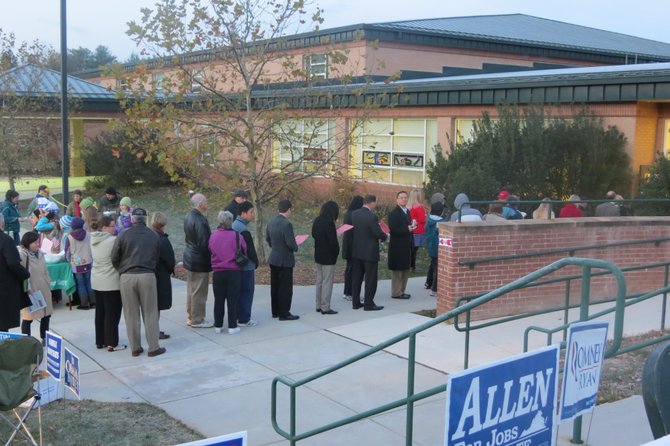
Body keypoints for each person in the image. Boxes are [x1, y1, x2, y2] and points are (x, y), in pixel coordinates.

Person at [111, 208, 165, 358]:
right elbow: (157, 256)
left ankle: (135, 347)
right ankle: (153, 347)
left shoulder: (123, 235)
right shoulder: (153, 235)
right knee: (150, 313)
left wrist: (122, 270)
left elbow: (114, 257)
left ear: (133, 219)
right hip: (147, 274)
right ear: (145, 219)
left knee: (130, 313)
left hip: (127, 276)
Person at [91, 215, 125, 352]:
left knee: (100, 312)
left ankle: (100, 340)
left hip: (96, 280)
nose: (114, 228)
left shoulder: (92, 239)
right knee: (112, 313)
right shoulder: (113, 241)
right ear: (104, 228)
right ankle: (112, 342)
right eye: (112, 225)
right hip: (111, 281)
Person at [209, 211, 245, 334]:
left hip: (218, 271)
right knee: (232, 299)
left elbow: (210, 249)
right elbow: (244, 249)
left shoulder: (213, 236)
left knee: (218, 299)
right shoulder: (237, 236)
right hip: (233, 271)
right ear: (231, 221)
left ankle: (218, 325)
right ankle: (232, 325)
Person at [351, 194, 387, 311]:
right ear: (371, 202)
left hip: (357, 251)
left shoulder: (354, 214)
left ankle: (355, 303)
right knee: (370, 279)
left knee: (357, 278)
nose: (376, 205)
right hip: (369, 252)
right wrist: (385, 236)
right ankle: (368, 303)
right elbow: (377, 233)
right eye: (376, 202)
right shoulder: (371, 217)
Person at [266, 199, 300, 320]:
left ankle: (275, 311)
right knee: (285, 288)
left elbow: (268, 238)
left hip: (274, 258)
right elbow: (290, 243)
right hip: (285, 260)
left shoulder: (271, 222)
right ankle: (284, 312)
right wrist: (296, 246)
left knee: (275, 286)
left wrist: (275, 247)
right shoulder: (287, 224)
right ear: (289, 209)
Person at [183, 193, 213, 328]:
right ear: (200, 204)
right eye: (206, 201)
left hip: (190, 257)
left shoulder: (189, 216)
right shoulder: (200, 220)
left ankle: (191, 316)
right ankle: (197, 319)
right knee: (199, 291)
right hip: (198, 260)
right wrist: (211, 257)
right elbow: (204, 243)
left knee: (191, 289)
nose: (207, 203)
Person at [18, 231, 53, 343]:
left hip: (44, 288)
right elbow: (19, 273)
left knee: (46, 315)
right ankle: (26, 342)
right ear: (27, 243)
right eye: (34, 242)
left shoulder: (40, 253)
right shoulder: (22, 255)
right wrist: (26, 289)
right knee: (28, 318)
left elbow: (45, 270)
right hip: (30, 291)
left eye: (38, 242)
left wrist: (48, 282)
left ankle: (44, 338)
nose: (37, 244)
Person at [0, 214, 30, 332]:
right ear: (2, 223)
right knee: (2, 327)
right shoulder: (5, 240)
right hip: (4, 289)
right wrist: (26, 275)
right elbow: (13, 264)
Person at [232, 201, 260, 327]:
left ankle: (239, 316)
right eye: (251, 212)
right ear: (243, 213)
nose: (253, 215)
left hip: (236, 265)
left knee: (239, 291)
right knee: (247, 291)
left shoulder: (234, 225)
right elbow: (249, 250)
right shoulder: (243, 229)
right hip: (246, 266)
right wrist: (256, 262)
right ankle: (244, 318)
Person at [150, 211, 176, 340]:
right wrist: (171, 269)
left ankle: (152, 329)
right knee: (157, 305)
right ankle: (155, 330)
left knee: (151, 305)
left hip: (149, 273)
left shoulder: (148, 236)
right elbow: (170, 260)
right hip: (160, 275)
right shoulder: (162, 239)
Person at [311, 200, 340, 315]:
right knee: (327, 281)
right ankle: (325, 306)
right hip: (328, 256)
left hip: (318, 254)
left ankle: (318, 304)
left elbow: (313, 234)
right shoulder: (329, 223)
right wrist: (336, 251)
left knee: (319, 280)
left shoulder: (317, 220)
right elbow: (333, 242)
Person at [65, 217, 95, 310]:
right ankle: (93, 302)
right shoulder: (88, 235)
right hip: (88, 262)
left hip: (76, 264)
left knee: (80, 284)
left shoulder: (69, 237)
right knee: (89, 283)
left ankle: (84, 304)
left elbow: (67, 252)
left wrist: (68, 260)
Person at [388, 191, 414, 300]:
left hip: (406, 245)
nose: (404, 199)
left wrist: (412, 227)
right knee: (398, 271)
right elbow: (393, 230)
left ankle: (402, 291)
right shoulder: (394, 213)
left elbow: (407, 226)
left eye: (405, 197)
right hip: (397, 246)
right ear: (397, 199)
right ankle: (396, 292)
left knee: (405, 269)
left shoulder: (407, 211)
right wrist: (407, 229)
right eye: (401, 197)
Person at [341, 196, 363, 301]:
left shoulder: (348, 213)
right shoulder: (355, 215)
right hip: (353, 246)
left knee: (349, 269)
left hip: (347, 245)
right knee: (353, 270)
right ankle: (350, 292)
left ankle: (347, 292)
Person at [425, 202, 446, 296]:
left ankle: (428, 282)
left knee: (432, 265)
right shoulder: (443, 222)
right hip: (438, 247)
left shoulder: (428, 220)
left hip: (430, 246)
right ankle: (435, 289)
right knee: (437, 269)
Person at [408, 189, 427, 272]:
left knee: (410, 250)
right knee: (414, 250)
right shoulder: (419, 207)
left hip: (410, 229)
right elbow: (422, 219)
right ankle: (412, 267)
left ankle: (410, 266)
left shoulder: (408, 207)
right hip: (418, 230)